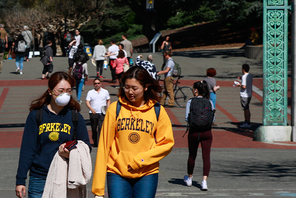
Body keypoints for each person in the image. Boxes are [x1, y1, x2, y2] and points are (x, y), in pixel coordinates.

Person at [92, 66, 174, 198]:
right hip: (117, 172)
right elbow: (104, 146)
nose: (130, 92)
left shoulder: (157, 111)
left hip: (147, 173)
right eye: (126, 87)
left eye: (135, 88)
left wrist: (142, 160)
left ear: (146, 87)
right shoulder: (115, 109)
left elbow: (167, 144)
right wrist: (98, 190)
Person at [15, 72, 90, 198]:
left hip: (66, 178)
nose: (65, 94)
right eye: (60, 90)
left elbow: (86, 146)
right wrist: (20, 180)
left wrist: (71, 153)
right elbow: (27, 149)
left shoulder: (75, 117)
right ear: (50, 91)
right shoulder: (36, 116)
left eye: (68, 91)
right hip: (39, 178)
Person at [184, 81, 215, 191]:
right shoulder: (209, 102)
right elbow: (213, 119)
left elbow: (187, 118)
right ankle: (204, 181)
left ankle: (189, 178)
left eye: (193, 88)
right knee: (206, 157)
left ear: (196, 90)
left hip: (193, 132)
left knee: (192, 155)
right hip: (207, 132)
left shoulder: (190, 102)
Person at [86, 78, 111, 147]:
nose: (97, 85)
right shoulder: (90, 92)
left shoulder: (105, 92)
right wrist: (91, 109)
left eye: (98, 83)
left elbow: (108, 100)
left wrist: (107, 108)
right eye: (95, 83)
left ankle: (100, 142)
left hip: (102, 113)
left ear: (100, 84)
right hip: (93, 113)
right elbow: (87, 102)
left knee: (100, 128)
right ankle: (95, 141)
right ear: (93, 84)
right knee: (94, 128)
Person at [235, 64, 253, 128]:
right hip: (249, 94)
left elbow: (244, 86)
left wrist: (239, 85)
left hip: (244, 94)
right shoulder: (249, 76)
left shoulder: (244, 77)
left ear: (243, 69)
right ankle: (248, 121)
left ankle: (247, 122)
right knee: (247, 108)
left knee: (245, 109)